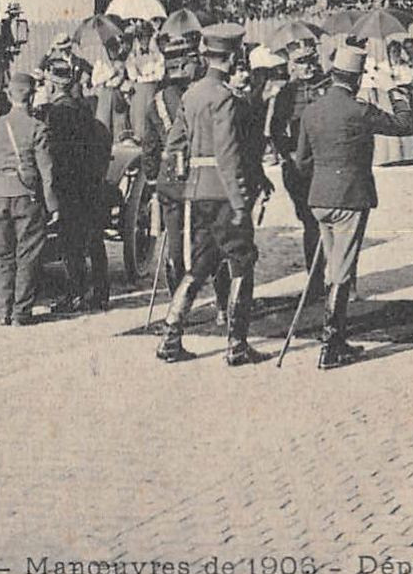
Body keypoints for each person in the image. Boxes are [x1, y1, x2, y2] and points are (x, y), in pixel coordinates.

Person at [294, 44, 413, 369]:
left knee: (335, 267)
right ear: (358, 78)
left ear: (333, 74)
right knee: (342, 271)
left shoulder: (311, 110)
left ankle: (336, 339)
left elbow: (301, 160)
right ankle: (331, 347)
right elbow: (405, 125)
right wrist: (396, 90)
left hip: (319, 198)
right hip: (350, 197)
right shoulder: (359, 110)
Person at [156, 23, 267, 366]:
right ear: (232, 57)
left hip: (196, 192)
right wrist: (239, 202)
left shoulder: (190, 94)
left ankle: (171, 337)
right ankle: (236, 344)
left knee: (201, 264)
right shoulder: (224, 98)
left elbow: (174, 146)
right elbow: (228, 154)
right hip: (223, 193)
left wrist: (182, 182)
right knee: (242, 262)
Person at [0, 73, 60, 325]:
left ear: (8, 95)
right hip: (27, 196)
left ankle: (2, 310)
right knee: (28, 254)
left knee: (1, 254)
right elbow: (47, 171)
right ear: (32, 95)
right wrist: (52, 205)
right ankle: (21, 312)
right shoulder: (37, 127)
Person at [37, 59, 112, 313]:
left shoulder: (56, 114)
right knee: (94, 240)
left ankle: (75, 294)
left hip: (69, 186)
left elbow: (55, 153)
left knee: (70, 243)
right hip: (90, 184)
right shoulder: (84, 109)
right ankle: (101, 294)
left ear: (53, 83)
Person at [269, 41, 332, 298]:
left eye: (310, 60)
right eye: (301, 62)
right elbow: (274, 129)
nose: (307, 67)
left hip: (326, 163)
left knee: (332, 223)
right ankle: (315, 281)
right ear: (292, 66)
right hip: (299, 167)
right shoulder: (287, 93)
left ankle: (340, 281)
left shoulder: (327, 87)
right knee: (310, 223)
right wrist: (288, 154)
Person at [141, 32, 200, 292]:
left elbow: (150, 146)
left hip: (170, 176)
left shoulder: (156, 101)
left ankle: (177, 299)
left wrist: (153, 179)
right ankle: (221, 305)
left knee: (174, 237)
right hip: (202, 174)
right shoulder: (203, 94)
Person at [126, 22, 165, 145]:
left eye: (147, 37)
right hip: (140, 90)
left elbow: (160, 73)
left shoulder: (157, 55)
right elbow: (133, 75)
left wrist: (146, 76)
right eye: (141, 37)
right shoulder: (133, 56)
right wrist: (144, 76)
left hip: (153, 88)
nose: (144, 41)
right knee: (139, 112)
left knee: (154, 110)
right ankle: (139, 135)